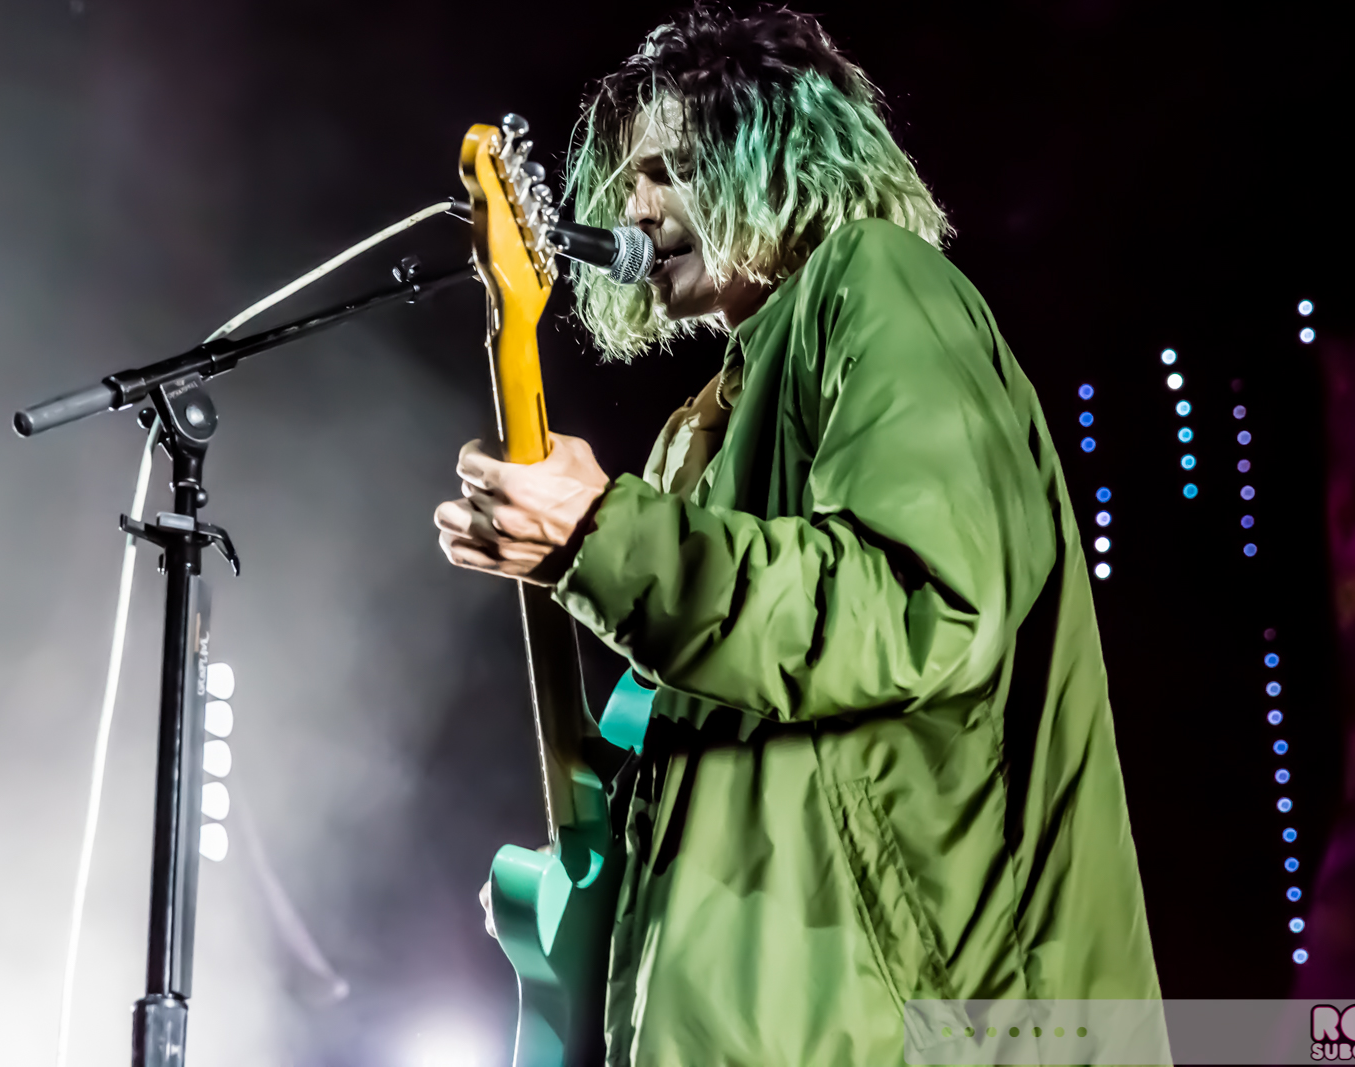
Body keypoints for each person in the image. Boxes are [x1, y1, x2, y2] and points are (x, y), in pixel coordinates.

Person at [434, 6, 1161, 1064]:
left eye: (673, 168)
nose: (635, 206)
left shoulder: (880, 279)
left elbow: (915, 604)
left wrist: (602, 532)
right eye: (629, 179)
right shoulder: (701, 433)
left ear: (779, 155)